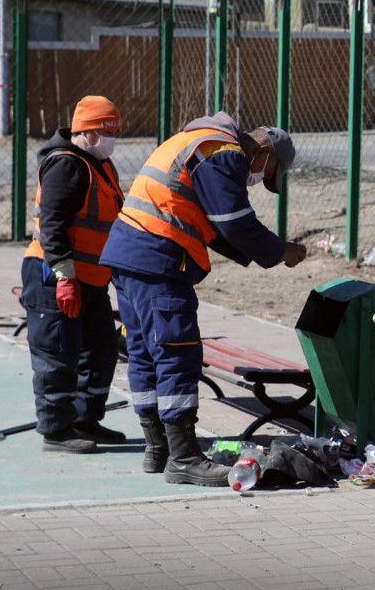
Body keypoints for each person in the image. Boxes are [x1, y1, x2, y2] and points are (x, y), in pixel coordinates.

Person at [99, 112, 308, 486]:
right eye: (268, 172)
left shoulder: (191, 141)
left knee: (147, 353)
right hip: (158, 259)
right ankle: (184, 459)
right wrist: (280, 251)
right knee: (178, 353)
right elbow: (234, 222)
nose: (259, 180)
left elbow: (213, 226)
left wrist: (269, 253)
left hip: (127, 256)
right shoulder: (223, 153)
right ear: (263, 152)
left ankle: (158, 449)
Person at [21, 95, 127, 454]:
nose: (112, 140)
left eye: (115, 132)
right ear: (87, 133)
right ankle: (56, 429)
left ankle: (85, 419)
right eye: (106, 132)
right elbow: (52, 225)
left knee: (101, 349)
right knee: (57, 352)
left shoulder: (101, 164)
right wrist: (65, 276)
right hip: (55, 275)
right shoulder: (66, 165)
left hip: (91, 278)